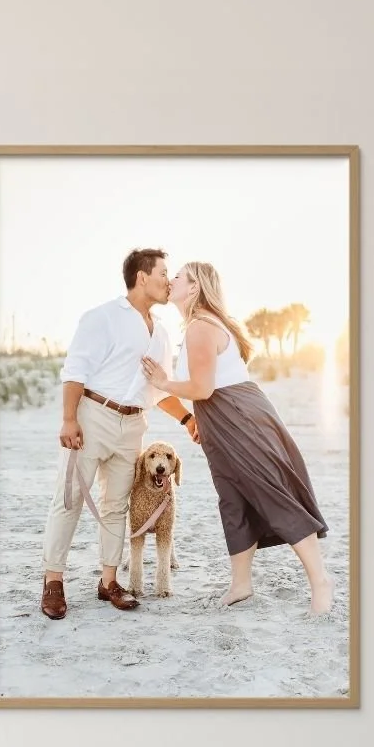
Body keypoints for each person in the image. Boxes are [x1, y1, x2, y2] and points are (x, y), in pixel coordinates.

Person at [143, 260, 334, 614]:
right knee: (233, 499)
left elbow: (201, 387)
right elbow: (205, 390)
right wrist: (195, 418)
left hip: (238, 417)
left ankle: (321, 580)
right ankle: (241, 584)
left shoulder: (201, 327)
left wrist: (163, 383)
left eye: (178, 276)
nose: (170, 280)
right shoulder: (196, 327)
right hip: (221, 416)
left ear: (194, 287)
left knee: (271, 493)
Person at [38, 248, 196, 621]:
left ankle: (109, 581)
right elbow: (75, 369)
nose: (168, 280)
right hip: (93, 416)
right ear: (142, 276)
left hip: (134, 426)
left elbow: (159, 391)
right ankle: (53, 581)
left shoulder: (162, 331)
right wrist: (68, 419)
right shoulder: (102, 317)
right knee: (70, 498)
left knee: (117, 505)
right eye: (163, 273)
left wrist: (187, 419)